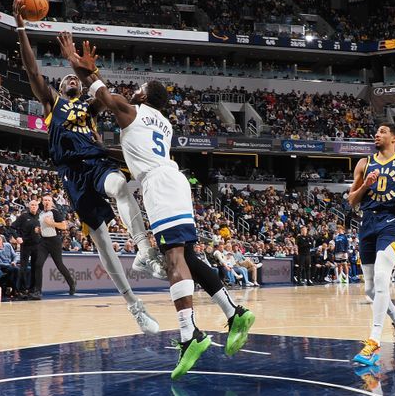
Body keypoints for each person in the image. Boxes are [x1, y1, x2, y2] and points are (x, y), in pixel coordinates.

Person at [59, 36, 254, 380]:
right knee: (189, 257)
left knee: (174, 260)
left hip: (160, 186)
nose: (133, 90)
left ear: (145, 96)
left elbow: (102, 96)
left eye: (139, 88)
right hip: (171, 180)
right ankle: (233, 312)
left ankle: (189, 334)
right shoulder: (163, 122)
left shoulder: (131, 109)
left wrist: (84, 67)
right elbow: (138, 153)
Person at [15, 1, 162, 335]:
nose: (70, 80)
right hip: (73, 176)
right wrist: (21, 28)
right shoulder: (53, 103)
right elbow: (31, 71)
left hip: (96, 163)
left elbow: (103, 94)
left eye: (74, 79)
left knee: (120, 188)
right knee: (102, 242)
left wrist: (88, 70)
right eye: (66, 78)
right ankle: (133, 306)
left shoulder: (89, 106)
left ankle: (144, 250)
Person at [347, 123, 395, 366]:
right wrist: (366, 186)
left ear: (394, 138)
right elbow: (351, 200)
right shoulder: (363, 163)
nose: (376, 135)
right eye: (376, 132)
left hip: (391, 223)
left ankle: (373, 341)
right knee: (370, 289)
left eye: (382, 131)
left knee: (382, 278)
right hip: (367, 224)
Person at [31, 194, 76, 299]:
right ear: (42, 202)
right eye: (45, 200)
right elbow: (42, 226)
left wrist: (51, 223)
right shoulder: (41, 213)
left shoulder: (55, 212)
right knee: (38, 264)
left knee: (59, 265)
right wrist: (38, 229)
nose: (46, 202)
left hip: (54, 241)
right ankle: (37, 291)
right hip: (43, 241)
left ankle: (71, 283)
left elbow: (64, 226)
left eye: (48, 200)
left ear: (51, 202)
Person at [12, 200, 41, 294]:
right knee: (23, 268)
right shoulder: (24, 216)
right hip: (26, 245)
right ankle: (21, 289)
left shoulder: (41, 217)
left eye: (35, 205)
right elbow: (12, 227)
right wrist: (17, 237)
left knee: (35, 268)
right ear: (29, 206)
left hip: (37, 245)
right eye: (32, 205)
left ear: (38, 206)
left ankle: (32, 289)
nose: (33, 206)